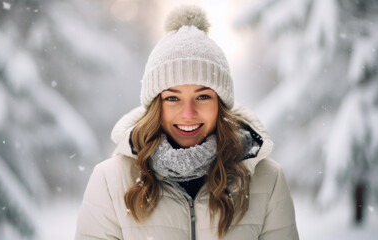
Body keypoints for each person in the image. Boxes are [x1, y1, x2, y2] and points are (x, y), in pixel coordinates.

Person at [75, 5, 298, 240]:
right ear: (155, 106)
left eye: (203, 96)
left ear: (220, 103)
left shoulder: (267, 180)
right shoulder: (110, 182)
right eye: (172, 98)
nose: (188, 113)